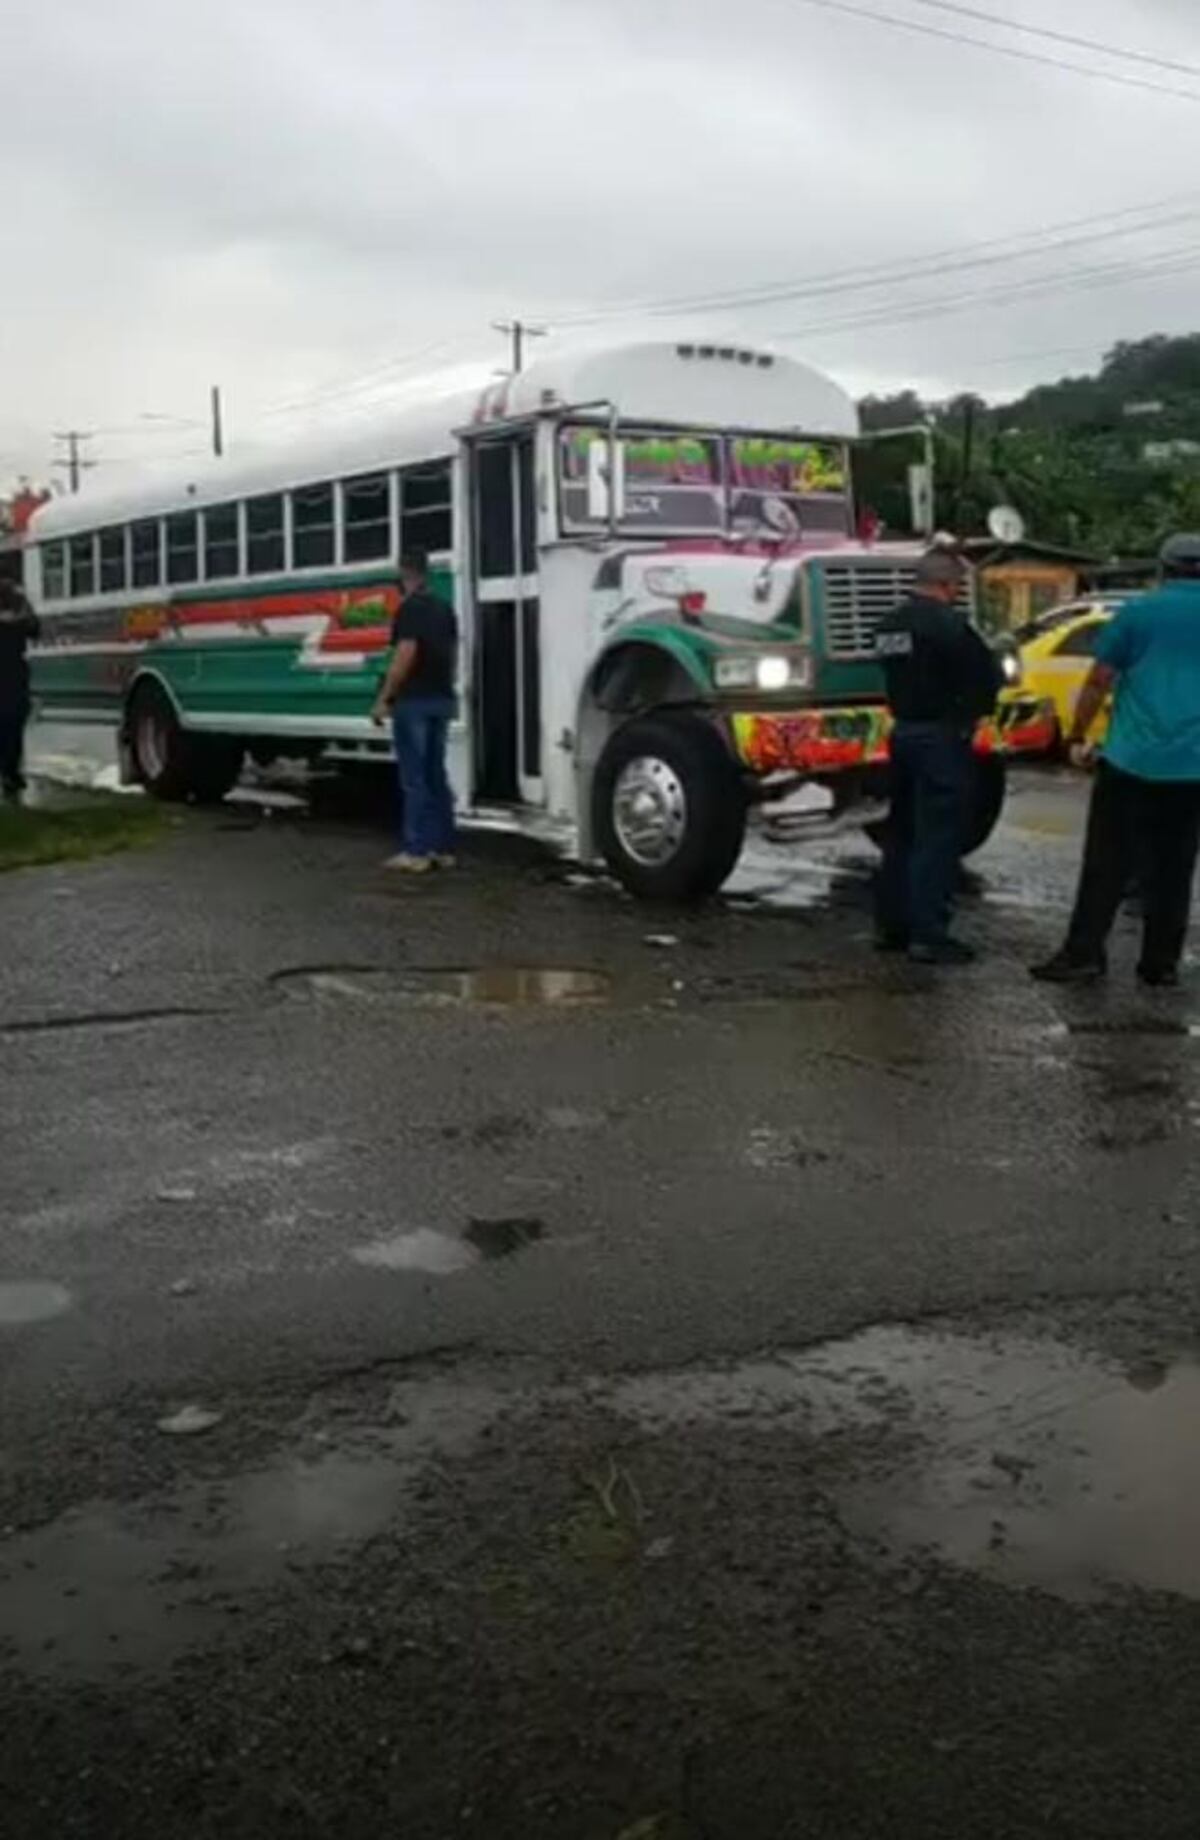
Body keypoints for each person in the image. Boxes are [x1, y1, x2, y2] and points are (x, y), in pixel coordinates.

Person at [1031, 533, 1200, 989]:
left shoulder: (1139, 613)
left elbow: (1098, 679)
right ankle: (1160, 965)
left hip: (1131, 760)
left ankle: (1084, 954)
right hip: (1192, 768)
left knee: (1107, 862)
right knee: (1175, 868)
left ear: (1164, 569)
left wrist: (1078, 734)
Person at [874, 548, 1003, 965]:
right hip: (941, 738)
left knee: (901, 833)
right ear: (949, 586)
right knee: (938, 837)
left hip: (902, 733)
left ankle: (893, 927)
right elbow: (986, 677)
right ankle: (929, 933)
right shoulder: (950, 626)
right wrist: (972, 712)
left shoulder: (888, 624)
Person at [371, 549, 458, 873]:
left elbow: (405, 654)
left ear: (404, 573)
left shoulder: (409, 610)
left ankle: (416, 851)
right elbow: (451, 652)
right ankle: (443, 848)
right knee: (437, 774)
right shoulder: (444, 608)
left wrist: (385, 696)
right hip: (441, 697)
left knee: (414, 779)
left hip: (414, 701)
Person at [0, 578, 40, 801]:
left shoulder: (18, 601)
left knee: (13, 720)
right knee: (11, 721)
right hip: (13, 669)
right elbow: (33, 627)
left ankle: (10, 771)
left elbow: (34, 628)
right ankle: (9, 771)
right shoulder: (19, 601)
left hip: (14, 669)